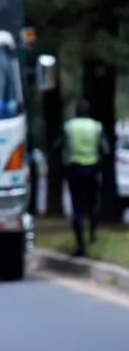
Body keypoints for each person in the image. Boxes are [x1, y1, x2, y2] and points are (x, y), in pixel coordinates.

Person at [60, 99, 110, 256]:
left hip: (74, 170)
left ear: (76, 112)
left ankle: (81, 245)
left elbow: (60, 145)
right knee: (93, 203)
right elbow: (105, 149)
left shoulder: (69, 126)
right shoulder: (96, 127)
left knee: (77, 207)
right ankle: (93, 235)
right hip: (92, 170)